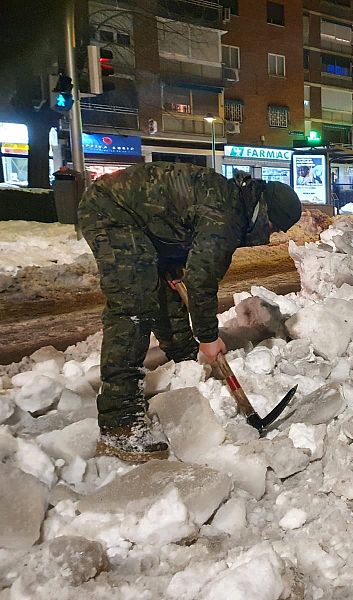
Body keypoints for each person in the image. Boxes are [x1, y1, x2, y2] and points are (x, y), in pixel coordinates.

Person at [78, 162, 302, 462]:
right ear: (264, 212)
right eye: (273, 227)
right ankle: (119, 423)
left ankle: (184, 365)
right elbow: (201, 281)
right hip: (113, 212)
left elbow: (180, 228)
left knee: (166, 294)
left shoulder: (232, 204)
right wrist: (208, 337)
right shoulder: (226, 216)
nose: (270, 235)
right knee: (134, 306)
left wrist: (171, 263)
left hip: (143, 224)